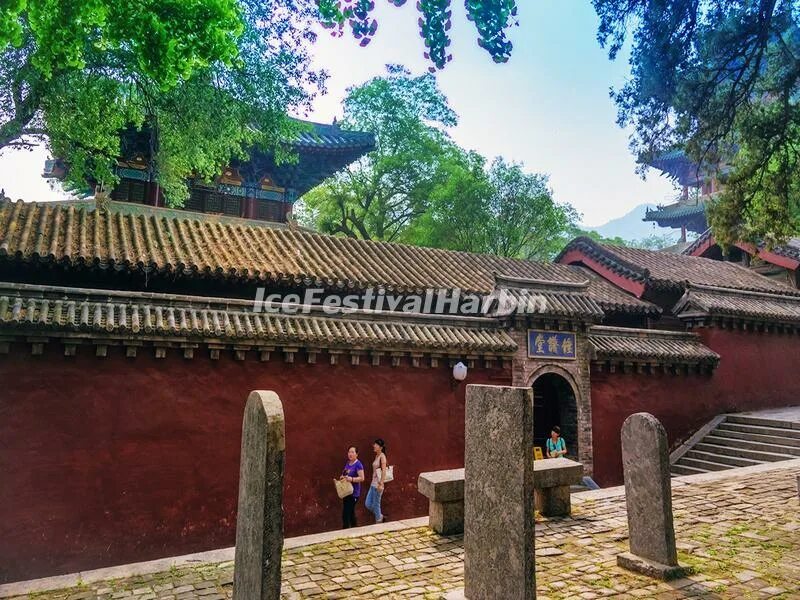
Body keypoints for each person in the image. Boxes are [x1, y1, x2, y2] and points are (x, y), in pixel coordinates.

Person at [340, 446, 365, 528]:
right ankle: (355, 529)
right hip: (346, 492)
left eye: (352, 452)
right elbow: (344, 473)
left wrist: (352, 479)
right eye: (349, 452)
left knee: (346, 514)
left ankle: (345, 531)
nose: (350, 454)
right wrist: (342, 477)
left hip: (353, 493)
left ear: (357, 454)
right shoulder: (348, 463)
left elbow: (362, 478)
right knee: (350, 513)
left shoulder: (358, 464)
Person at [365, 438, 388, 524]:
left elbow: (384, 470)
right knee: (368, 504)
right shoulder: (376, 456)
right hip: (373, 484)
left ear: (381, 447)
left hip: (378, 484)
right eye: (374, 444)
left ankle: (378, 522)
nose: (374, 446)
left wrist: (381, 484)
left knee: (376, 504)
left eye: (376, 445)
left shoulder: (382, 456)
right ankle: (380, 516)